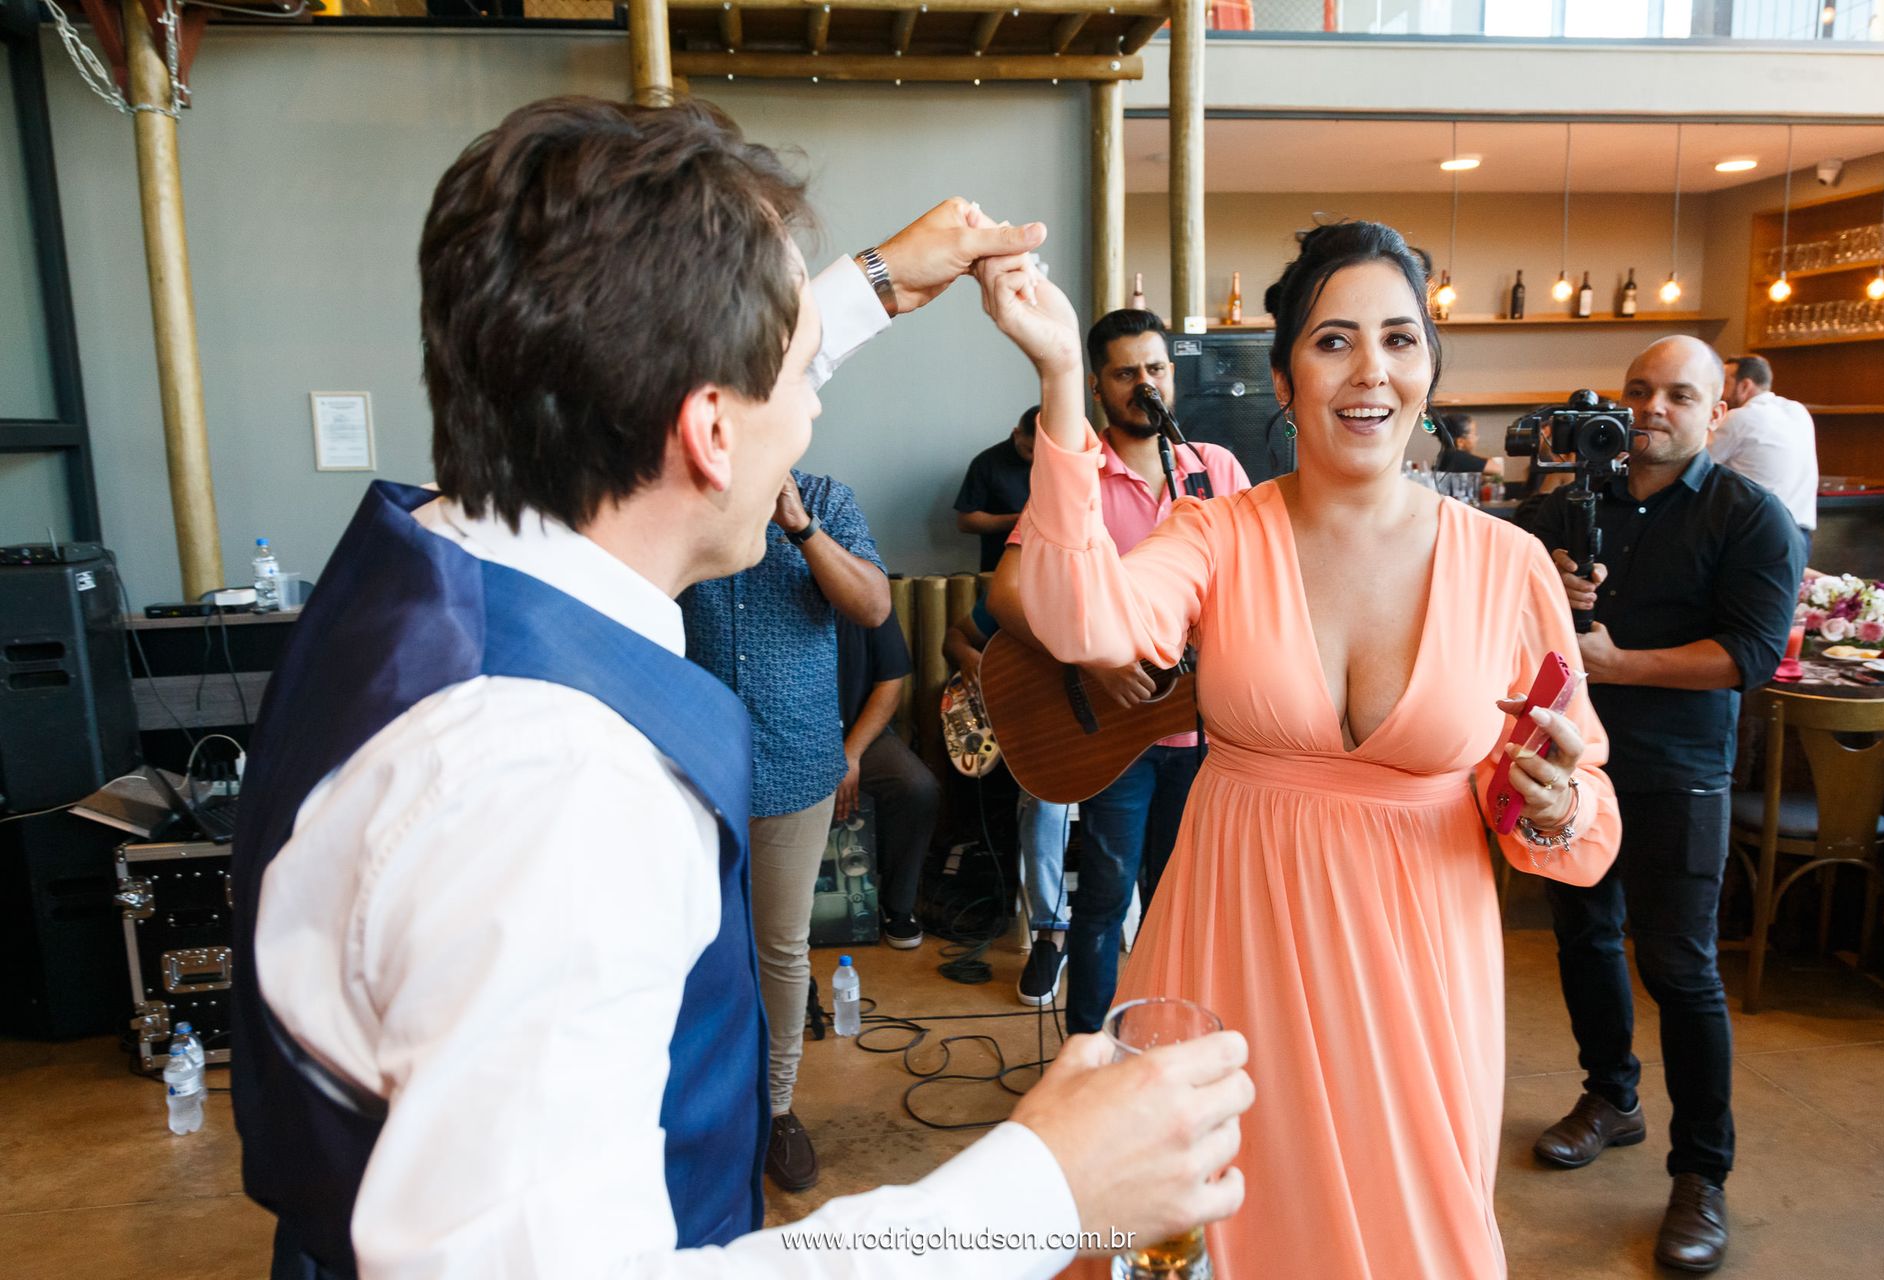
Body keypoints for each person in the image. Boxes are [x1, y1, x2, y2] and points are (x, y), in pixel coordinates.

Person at [229, 96, 1253, 1280]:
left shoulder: (430, 566)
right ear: (711, 430)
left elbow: (658, 364)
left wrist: (868, 283)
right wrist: (1043, 1190)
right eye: (794, 373)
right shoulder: (549, 786)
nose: (811, 400)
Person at [980, 219, 1623, 1279]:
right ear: (1283, 375)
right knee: (1206, 1226)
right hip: (1228, 943)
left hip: (1421, 975)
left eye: (1400, 339)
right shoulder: (1216, 531)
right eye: (1334, 341)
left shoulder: (1508, 566)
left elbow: (1580, 801)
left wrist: (1555, 805)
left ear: (1429, 364)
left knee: (1415, 1232)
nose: (1371, 370)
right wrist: (1059, 375)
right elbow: (1078, 616)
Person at [1522, 336, 1805, 1273]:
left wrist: (1620, 664)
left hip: (1681, 770)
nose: (1650, 408)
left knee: (1682, 972)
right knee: (1585, 937)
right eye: (1638, 390)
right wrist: (1546, 602)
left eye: (1677, 395)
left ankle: (1702, 1176)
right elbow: (1506, 623)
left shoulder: (1750, 517)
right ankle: (1613, 1097)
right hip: (1571, 766)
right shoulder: (1564, 504)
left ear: (1715, 411)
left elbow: (1750, 656)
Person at [989, 307, 1252, 1038]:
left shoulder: (1215, 470)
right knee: (1104, 903)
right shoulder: (1077, 478)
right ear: (1100, 387)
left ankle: (1163, 1056)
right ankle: (1088, 1066)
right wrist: (1091, 659)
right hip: (1118, 738)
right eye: (1127, 372)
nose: (1146, 383)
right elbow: (1006, 594)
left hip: (1204, 734)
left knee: (1185, 906)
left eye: (1157, 368)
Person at [682, 464, 892, 1191]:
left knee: (779, 946)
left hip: (794, 760)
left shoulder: (830, 497)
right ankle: (696, 1106)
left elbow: (871, 606)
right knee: (688, 940)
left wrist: (800, 527)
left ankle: (775, 1110)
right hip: (689, 762)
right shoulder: (674, 489)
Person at [945, 600, 1073, 1005]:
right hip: (1041, 738)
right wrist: (970, 658)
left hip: (1113, 741)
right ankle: (1051, 935)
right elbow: (955, 636)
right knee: (1042, 801)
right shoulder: (1020, 596)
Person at [835, 605, 939, 948]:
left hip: (860, 733)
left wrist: (850, 754)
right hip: (790, 737)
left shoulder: (865, 587)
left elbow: (890, 683)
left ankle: (898, 907)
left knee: (917, 788)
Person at [1714, 354, 1820, 561]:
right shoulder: (1799, 412)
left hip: (1756, 534)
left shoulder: (1739, 418)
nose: (1719, 392)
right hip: (1800, 536)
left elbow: (1692, 464)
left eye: (1724, 383)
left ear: (1744, 385)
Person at [954, 405, 1040, 570]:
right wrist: (1021, 520)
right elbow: (965, 521)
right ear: (1017, 434)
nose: (1036, 458)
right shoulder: (986, 463)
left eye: (1042, 451)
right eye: (1030, 450)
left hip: (1050, 567)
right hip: (1000, 565)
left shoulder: (1058, 460)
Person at [1432, 411, 1503, 474]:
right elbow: (1497, 468)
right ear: (1460, 442)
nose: (1477, 438)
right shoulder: (1457, 457)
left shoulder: (1447, 455)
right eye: (1474, 434)